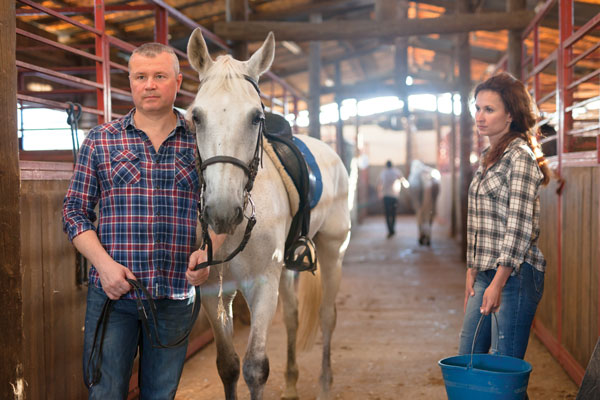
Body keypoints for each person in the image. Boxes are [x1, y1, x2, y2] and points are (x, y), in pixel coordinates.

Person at [62, 42, 224, 399]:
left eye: (160, 76)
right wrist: (103, 265)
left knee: (160, 394)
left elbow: (224, 210)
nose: (149, 84)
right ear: (131, 82)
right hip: (113, 294)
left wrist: (208, 252)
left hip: (174, 294)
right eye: (141, 76)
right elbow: (74, 211)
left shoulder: (201, 142)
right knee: (105, 392)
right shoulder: (101, 141)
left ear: (177, 82)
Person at [459, 73, 551, 369]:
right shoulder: (488, 155)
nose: (480, 117)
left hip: (515, 276)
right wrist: (472, 270)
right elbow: (480, 221)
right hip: (486, 271)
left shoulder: (520, 157)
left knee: (504, 371)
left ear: (510, 115)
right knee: (467, 359)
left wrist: (498, 282)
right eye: (477, 108)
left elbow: (518, 227)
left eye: (489, 109)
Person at [378, 160, 403, 238]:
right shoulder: (397, 171)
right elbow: (402, 180)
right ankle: (392, 229)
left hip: (386, 196)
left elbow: (380, 184)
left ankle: (390, 230)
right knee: (393, 213)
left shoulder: (383, 172)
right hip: (394, 196)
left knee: (387, 214)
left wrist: (379, 193)